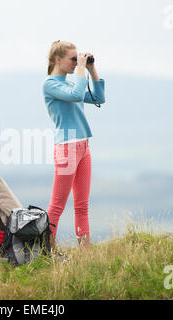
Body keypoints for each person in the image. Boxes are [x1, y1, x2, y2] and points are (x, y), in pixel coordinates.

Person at [43, 40, 105, 249]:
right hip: (67, 147)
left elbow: (98, 97)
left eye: (77, 58)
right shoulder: (50, 84)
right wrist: (80, 69)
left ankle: (85, 254)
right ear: (57, 60)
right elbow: (77, 95)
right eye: (72, 58)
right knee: (57, 205)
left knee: (82, 206)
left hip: (83, 147)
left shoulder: (71, 82)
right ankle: (47, 253)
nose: (75, 62)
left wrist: (91, 68)